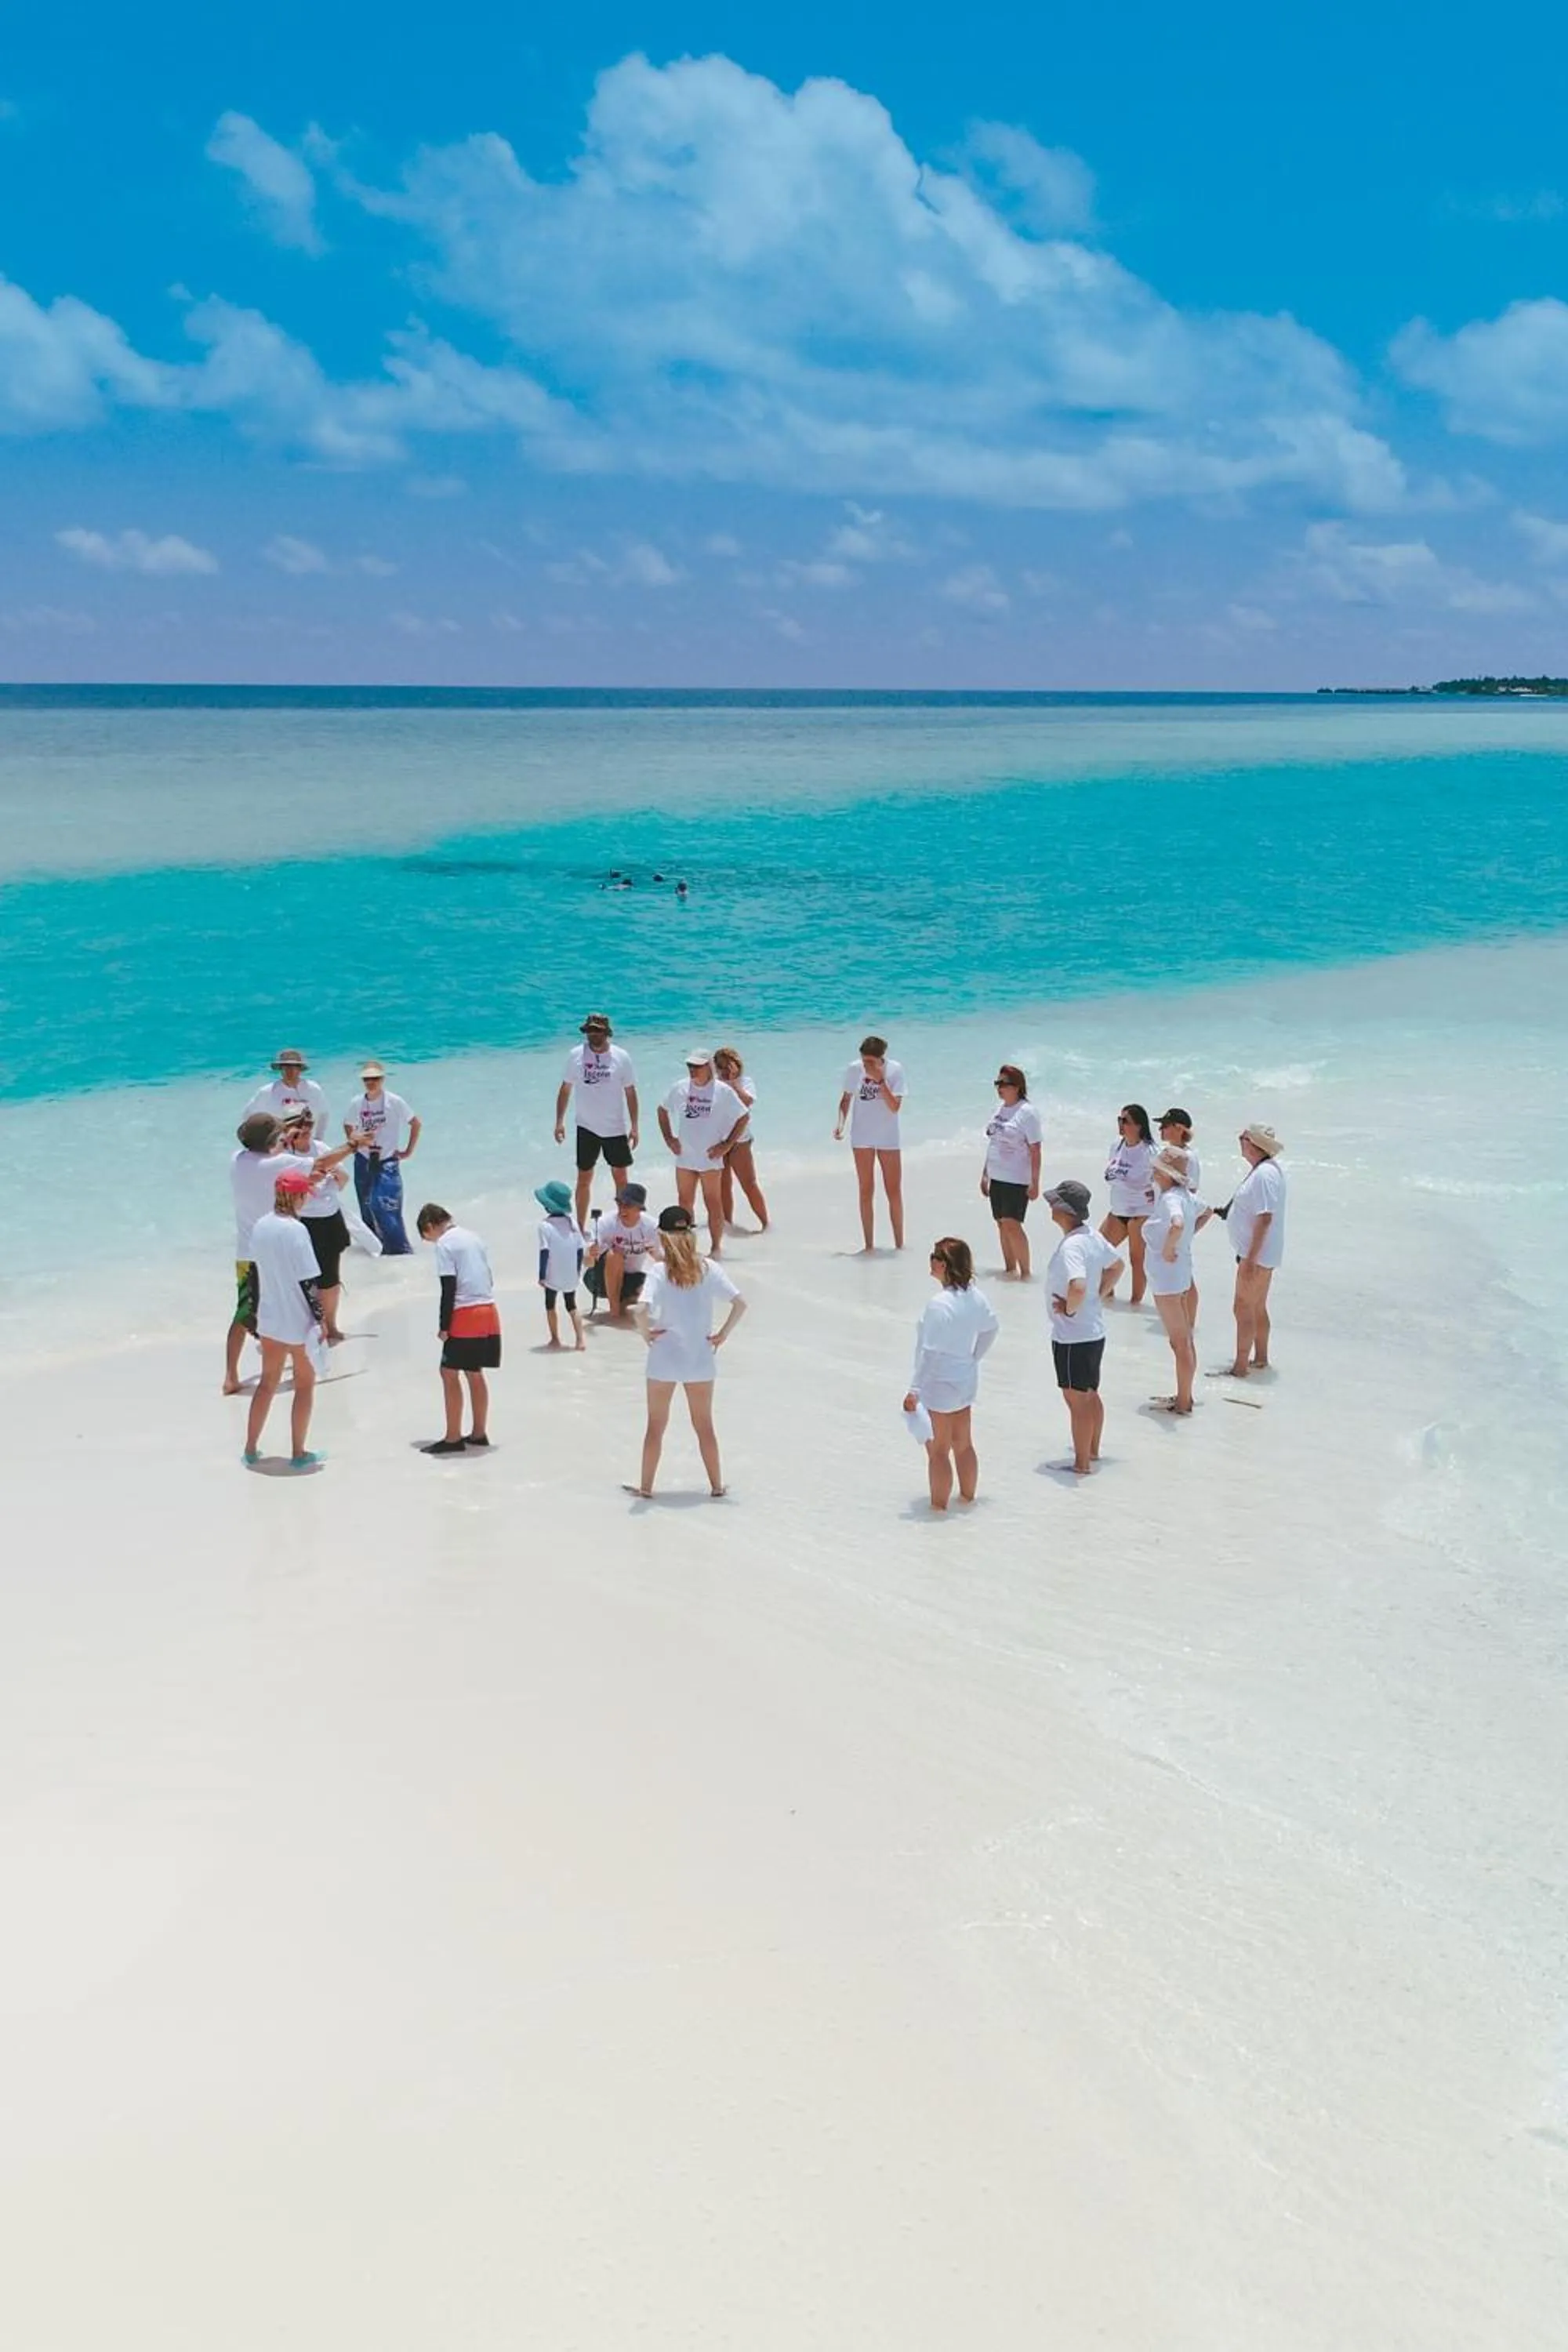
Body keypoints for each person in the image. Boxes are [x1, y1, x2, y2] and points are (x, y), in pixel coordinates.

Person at [226, 1112, 358, 1393]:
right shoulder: (279, 1164)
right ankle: (302, 1362)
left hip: (246, 1253)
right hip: (272, 1251)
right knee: (292, 1304)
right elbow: (322, 1163)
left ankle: (231, 1375)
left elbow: (263, 1141)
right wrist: (353, 1145)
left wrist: (285, 1128)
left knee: (243, 1312)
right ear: (274, 1141)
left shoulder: (237, 1160)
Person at [626, 1204, 746, 1498]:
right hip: (700, 1358)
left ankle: (646, 1489)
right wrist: (722, 1335)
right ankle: (717, 1487)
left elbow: (640, 1309)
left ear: (663, 1236)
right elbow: (740, 1304)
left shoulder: (659, 1271)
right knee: (705, 1426)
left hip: (664, 1357)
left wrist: (645, 1333)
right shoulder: (709, 1268)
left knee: (655, 1426)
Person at [902, 1236, 1000, 1512]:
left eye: (935, 1256)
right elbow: (992, 1328)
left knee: (938, 1451)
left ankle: (938, 1510)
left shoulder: (939, 1304)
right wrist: (974, 1358)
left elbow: (930, 1353)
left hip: (940, 1382)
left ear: (945, 1265)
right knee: (964, 1445)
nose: (931, 1261)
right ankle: (967, 1500)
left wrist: (914, 1390)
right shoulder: (975, 1296)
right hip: (966, 1378)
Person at [243, 1169, 328, 1468]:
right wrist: (322, 1320)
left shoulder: (261, 1226)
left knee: (267, 1384)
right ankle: (298, 1452)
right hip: (298, 1320)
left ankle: (251, 1449)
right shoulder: (296, 1231)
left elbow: (253, 1273)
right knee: (305, 1385)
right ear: (297, 1196)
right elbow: (309, 1282)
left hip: (269, 1317)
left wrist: (251, 1314)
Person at [1044, 1179, 1126, 1475]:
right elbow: (1117, 1266)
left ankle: (1081, 1464)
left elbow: (1076, 1286)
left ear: (1064, 1210)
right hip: (1093, 1331)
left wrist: (1069, 1308)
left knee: (1076, 1399)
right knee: (1090, 1393)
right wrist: (1097, 1296)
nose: (1050, 1207)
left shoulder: (1072, 1246)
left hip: (1072, 1335)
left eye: (1054, 1203)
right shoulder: (1091, 1235)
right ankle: (1092, 1451)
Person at [416, 1203, 501, 1454]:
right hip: (489, 1310)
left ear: (430, 1226)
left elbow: (449, 1288)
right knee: (474, 1372)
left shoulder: (445, 1244)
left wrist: (444, 1326)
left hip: (466, 1312)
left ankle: (453, 1438)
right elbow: (489, 1276)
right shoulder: (474, 1237)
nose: (430, 1242)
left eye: (426, 1237)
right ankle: (479, 1433)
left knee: (448, 1372)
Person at [554, 1013, 640, 1231]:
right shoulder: (576, 1055)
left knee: (621, 1178)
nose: (593, 1034)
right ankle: (580, 1228)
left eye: (598, 1030)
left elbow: (630, 1092)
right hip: (586, 1127)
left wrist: (635, 1126)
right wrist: (559, 1121)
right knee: (584, 1178)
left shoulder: (621, 1057)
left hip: (615, 1128)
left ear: (606, 1032)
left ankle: (624, 1223)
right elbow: (565, 1089)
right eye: (590, 1030)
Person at [659, 1049, 748, 1255]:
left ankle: (716, 1248)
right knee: (684, 1203)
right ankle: (687, 1249)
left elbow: (743, 1117)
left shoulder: (723, 1091)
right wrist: (669, 1138)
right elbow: (662, 1111)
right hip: (685, 1157)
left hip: (710, 1158)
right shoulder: (679, 1088)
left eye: (697, 1066)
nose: (692, 1070)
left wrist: (727, 1144)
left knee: (713, 1203)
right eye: (690, 1066)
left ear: (708, 1067)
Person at [1215, 1125, 1287, 1380]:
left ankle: (1241, 1366)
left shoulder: (1265, 1174)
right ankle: (1260, 1358)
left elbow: (1265, 1218)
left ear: (1253, 1144)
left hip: (1257, 1255)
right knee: (1256, 1306)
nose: (1240, 1142)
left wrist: (1251, 1259)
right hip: (1260, 1253)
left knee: (1243, 1307)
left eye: (1243, 1138)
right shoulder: (1264, 1171)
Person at [278, 1106, 352, 1345]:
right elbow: (282, 1192)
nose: (305, 1133)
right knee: (305, 1278)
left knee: (331, 1277)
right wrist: (310, 1180)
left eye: (308, 1128)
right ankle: (310, 1326)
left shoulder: (321, 1149)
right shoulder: (283, 1156)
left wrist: (333, 1176)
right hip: (303, 1221)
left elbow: (343, 1180)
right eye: (300, 1130)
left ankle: (330, 1325)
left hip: (330, 1217)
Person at [835, 1035, 907, 1252]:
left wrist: (879, 1081)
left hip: (888, 1136)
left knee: (893, 1190)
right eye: (864, 1061)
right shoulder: (854, 1069)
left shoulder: (895, 1070)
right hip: (862, 1136)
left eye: (870, 1062)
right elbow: (846, 1098)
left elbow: (895, 1107)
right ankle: (869, 1245)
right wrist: (840, 1124)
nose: (866, 1066)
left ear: (881, 1059)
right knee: (866, 1189)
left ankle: (899, 1244)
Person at [343, 1062, 420, 1254]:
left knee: (386, 1205)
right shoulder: (356, 1103)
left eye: (375, 1079)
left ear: (382, 1079)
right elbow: (348, 1125)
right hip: (364, 1159)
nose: (371, 1083)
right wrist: (355, 1140)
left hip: (387, 1161)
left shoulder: (394, 1101)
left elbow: (415, 1123)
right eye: (367, 1079)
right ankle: (375, 1250)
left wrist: (408, 1151)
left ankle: (400, 1251)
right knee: (367, 1205)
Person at [1145, 1145, 1198, 1415]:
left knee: (1179, 1341)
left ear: (1167, 1174)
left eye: (1158, 1168)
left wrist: (1169, 1248)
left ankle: (1184, 1401)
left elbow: (1177, 1224)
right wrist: (1185, 1242)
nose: (1153, 1171)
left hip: (1167, 1278)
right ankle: (1185, 1394)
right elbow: (1207, 1210)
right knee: (1184, 1339)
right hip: (1180, 1274)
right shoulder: (1185, 1196)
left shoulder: (1170, 1200)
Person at [980, 1063, 1043, 1279]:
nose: (999, 1088)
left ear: (1017, 1086)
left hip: (1016, 1178)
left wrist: (1035, 1182)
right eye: (997, 1083)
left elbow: (1035, 1149)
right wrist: (985, 1173)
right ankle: (1009, 1269)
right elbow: (993, 1143)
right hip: (997, 1176)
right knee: (1001, 1224)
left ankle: (1026, 1272)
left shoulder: (1027, 1113)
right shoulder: (999, 1110)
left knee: (1012, 1224)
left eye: (1004, 1084)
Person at [1099, 1103, 1156, 1304]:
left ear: (1139, 1126)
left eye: (1125, 1121)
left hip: (1141, 1211)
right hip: (1118, 1209)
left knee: (1137, 1259)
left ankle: (1135, 1303)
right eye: (1119, 1120)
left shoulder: (1151, 1152)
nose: (1121, 1125)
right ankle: (1107, 1295)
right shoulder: (1117, 1145)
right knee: (1099, 1251)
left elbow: (1159, 1184)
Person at [584, 1181, 664, 1320]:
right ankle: (614, 1312)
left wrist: (656, 1255)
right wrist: (590, 1254)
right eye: (620, 1204)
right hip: (599, 1279)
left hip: (631, 1278)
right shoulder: (606, 1222)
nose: (622, 1209)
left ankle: (623, 1303)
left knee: (656, 1287)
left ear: (640, 1208)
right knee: (616, 1254)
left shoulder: (652, 1227)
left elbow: (667, 1263)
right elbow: (587, 1263)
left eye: (628, 1205)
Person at [713, 1045, 770, 1232]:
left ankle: (766, 1224)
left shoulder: (745, 1082)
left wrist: (733, 1083)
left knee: (749, 1183)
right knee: (723, 1185)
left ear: (737, 1065)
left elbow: (747, 1101)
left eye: (727, 1066)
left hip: (740, 1141)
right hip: (717, 1139)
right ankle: (727, 1224)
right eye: (720, 1066)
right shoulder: (713, 1084)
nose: (724, 1070)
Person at [1158, 1107, 1203, 1327]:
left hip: (1180, 1216)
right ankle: (1185, 1320)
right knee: (1182, 1270)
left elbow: (1190, 1191)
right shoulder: (1172, 1152)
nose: (1160, 1129)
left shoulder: (1188, 1157)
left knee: (1185, 1272)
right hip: (1174, 1215)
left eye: (1165, 1125)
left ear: (1178, 1128)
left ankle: (1190, 1322)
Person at [535, 1179, 586, 1351]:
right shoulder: (573, 1224)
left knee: (550, 1305)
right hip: (571, 1274)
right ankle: (580, 1340)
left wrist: (541, 1276)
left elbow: (544, 1252)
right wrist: (577, 1271)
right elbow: (580, 1250)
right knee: (572, 1305)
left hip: (553, 1274)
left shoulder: (545, 1226)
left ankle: (555, 1339)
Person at [244, 1049, 330, 1138]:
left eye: (294, 1067)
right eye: (286, 1067)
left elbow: (324, 1114)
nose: (290, 1071)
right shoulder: (267, 1091)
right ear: (281, 1069)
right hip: (278, 1143)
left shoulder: (313, 1089)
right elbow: (248, 1115)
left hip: (305, 1141)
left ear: (300, 1069)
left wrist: (319, 1138)